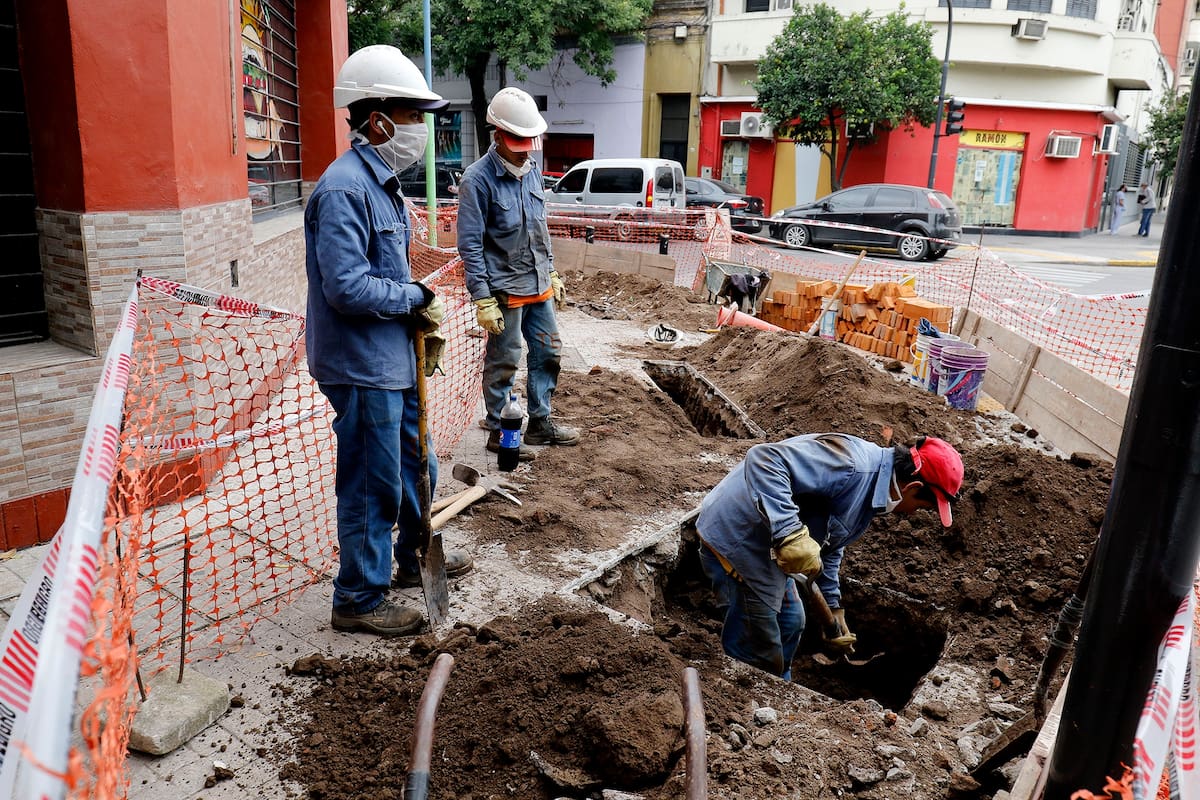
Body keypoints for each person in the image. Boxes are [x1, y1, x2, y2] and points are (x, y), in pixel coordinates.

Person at [305, 45, 474, 636]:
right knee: (374, 478)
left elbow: (390, 270)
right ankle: (357, 596)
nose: (419, 129)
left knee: (414, 464)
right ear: (376, 120)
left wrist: (412, 315)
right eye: (411, 115)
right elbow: (347, 288)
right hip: (360, 364)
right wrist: (414, 301)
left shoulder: (384, 186)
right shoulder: (345, 190)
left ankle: (408, 559)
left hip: (390, 358)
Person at [694, 432, 964, 679]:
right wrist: (789, 532)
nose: (914, 513)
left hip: (772, 548)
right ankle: (750, 694)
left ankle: (778, 682)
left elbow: (831, 542)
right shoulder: (852, 467)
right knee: (759, 645)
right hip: (741, 537)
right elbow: (764, 458)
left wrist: (833, 608)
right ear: (912, 486)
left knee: (792, 622)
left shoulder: (875, 488)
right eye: (921, 505)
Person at [458, 87, 580, 460]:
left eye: (530, 143)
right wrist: (481, 297)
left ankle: (540, 423)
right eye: (518, 142)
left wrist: (553, 272)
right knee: (505, 359)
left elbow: (538, 227)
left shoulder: (531, 172)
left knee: (549, 352)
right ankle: (499, 429)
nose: (525, 150)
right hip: (506, 291)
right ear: (498, 135)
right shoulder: (477, 181)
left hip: (538, 284)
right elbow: (471, 245)